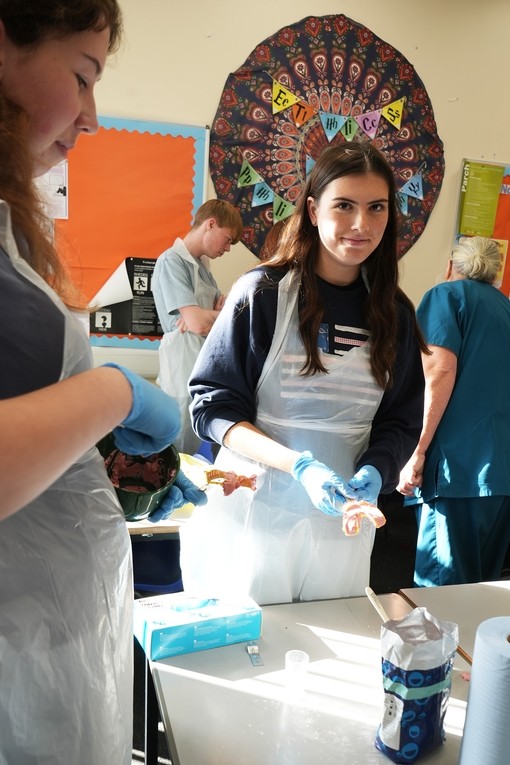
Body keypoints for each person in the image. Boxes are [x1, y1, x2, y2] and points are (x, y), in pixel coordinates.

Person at [0, 3, 203, 762]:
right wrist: (113, 393)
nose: (91, 117)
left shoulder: (14, 222)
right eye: (82, 76)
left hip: (50, 638)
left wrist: (94, 460)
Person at [181, 142, 427, 606]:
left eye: (376, 208)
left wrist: (376, 469)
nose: (362, 224)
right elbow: (213, 407)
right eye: (344, 206)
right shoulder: (263, 294)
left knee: (329, 643)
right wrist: (299, 466)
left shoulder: (394, 313)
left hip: (345, 525)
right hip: (255, 514)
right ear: (313, 210)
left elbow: (399, 420)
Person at [398, 235, 510, 587]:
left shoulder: (446, 296)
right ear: (496, 274)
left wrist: (417, 452)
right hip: (499, 479)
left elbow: (440, 370)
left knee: (441, 602)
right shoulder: (506, 309)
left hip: (457, 472)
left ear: (451, 266)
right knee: (481, 595)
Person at [152, 199, 244, 455]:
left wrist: (206, 315)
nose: (227, 249)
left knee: (195, 441)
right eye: (227, 240)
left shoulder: (202, 268)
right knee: (177, 446)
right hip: (182, 366)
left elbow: (208, 318)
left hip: (202, 363)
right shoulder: (172, 262)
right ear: (211, 224)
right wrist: (211, 314)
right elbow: (199, 323)